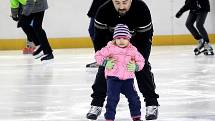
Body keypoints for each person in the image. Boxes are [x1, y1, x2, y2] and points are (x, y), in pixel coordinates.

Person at [86, 0, 159, 120]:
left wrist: (140, 61)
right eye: (117, 3)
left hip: (136, 42)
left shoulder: (141, 9)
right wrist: (104, 60)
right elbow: (98, 39)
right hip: (112, 43)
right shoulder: (103, 11)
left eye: (124, 3)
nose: (121, 7)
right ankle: (96, 104)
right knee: (104, 70)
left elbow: (145, 39)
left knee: (143, 68)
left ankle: (152, 104)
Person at [95, 24, 145, 121]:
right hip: (113, 79)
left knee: (134, 99)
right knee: (112, 99)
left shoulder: (133, 50)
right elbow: (98, 56)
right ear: (114, 39)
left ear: (129, 38)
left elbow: (141, 60)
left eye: (124, 38)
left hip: (128, 80)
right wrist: (106, 63)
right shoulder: (110, 48)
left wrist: (136, 66)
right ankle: (109, 118)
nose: (121, 41)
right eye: (118, 38)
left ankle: (136, 117)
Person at [86, 0, 110, 68]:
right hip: (97, 6)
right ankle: (100, 58)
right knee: (93, 31)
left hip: (104, 6)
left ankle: (103, 58)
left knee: (100, 32)